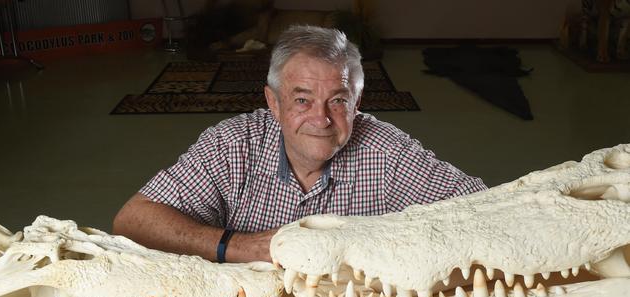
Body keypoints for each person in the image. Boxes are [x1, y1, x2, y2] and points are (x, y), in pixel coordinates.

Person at [112, 25, 486, 263]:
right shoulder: (232, 143)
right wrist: (241, 246)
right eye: (302, 100)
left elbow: (483, 212)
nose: (321, 119)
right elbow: (133, 220)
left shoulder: (388, 150)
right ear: (273, 103)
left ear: (357, 104)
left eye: (338, 101)